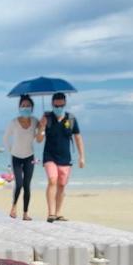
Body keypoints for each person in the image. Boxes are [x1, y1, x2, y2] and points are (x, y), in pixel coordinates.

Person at [36, 91, 85, 222]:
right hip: (49, 156)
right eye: (56, 106)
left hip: (65, 157)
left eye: (61, 106)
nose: (58, 108)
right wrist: (42, 126)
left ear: (65, 104)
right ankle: (51, 213)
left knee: (62, 185)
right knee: (52, 180)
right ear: (52, 104)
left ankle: (58, 213)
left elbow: (78, 138)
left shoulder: (71, 119)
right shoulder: (47, 117)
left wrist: (82, 157)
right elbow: (39, 139)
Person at [3, 94, 39, 220]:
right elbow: (6, 138)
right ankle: (13, 206)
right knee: (19, 184)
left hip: (30, 157)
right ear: (19, 107)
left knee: (27, 185)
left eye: (28, 106)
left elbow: (40, 137)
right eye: (23, 105)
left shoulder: (35, 121)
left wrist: (43, 127)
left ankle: (25, 213)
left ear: (32, 108)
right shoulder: (14, 122)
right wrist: (11, 150)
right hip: (16, 158)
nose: (25, 108)